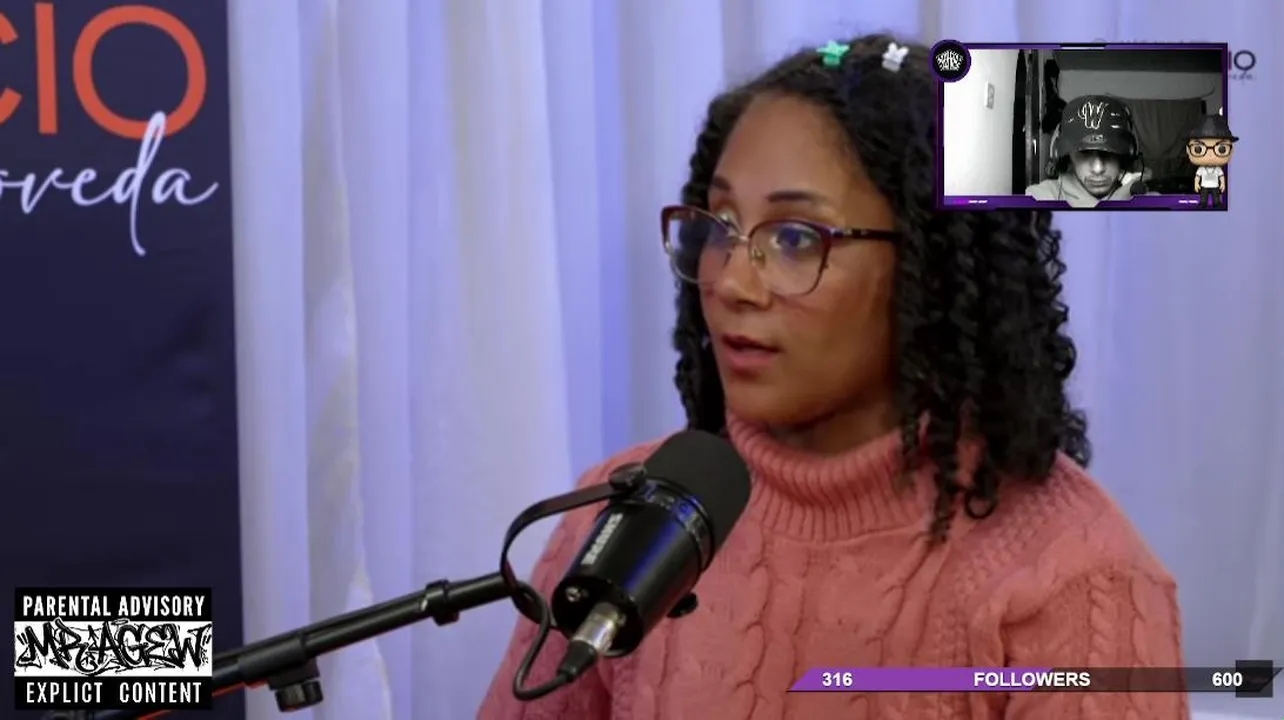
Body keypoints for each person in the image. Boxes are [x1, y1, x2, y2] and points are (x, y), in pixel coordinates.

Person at [479, 34, 1187, 719]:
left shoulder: (1077, 578)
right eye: (721, 225)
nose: (731, 283)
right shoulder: (621, 517)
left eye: (794, 237)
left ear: (927, 271)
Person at [1025, 95, 1147, 207]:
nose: (1098, 169)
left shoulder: (1151, 202)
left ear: (1129, 152)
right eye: (1084, 152)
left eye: (1109, 153)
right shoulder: (1040, 197)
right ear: (1062, 154)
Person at [1186, 113, 1237, 209]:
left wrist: (1223, 184)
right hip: (1204, 185)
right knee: (1203, 196)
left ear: (1231, 150)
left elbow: (1221, 176)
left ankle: (1217, 203)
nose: (1210, 155)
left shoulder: (1218, 169)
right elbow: (1197, 177)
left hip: (1215, 185)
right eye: (1198, 149)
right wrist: (1196, 184)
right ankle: (1203, 203)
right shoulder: (1201, 169)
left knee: (1216, 196)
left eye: (1221, 149)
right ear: (1188, 150)